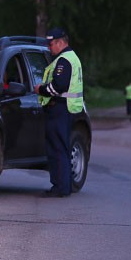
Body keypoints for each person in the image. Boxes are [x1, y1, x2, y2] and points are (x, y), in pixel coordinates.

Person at [34, 28, 83, 198]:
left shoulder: (64, 60)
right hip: (66, 108)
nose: (49, 47)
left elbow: (58, 86)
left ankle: (60, 187)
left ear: (61, 42)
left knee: (57, 149)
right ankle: (64, 186)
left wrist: (41, 89)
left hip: (60, 108)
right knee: (62, 147)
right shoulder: (71, 58)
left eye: (51, 43)